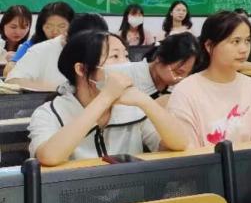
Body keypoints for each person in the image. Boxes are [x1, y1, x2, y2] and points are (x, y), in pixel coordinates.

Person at [28, 29, 189, 165]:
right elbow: (49, 157)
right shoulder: (49, 113)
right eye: (115, 57)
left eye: (126, 56)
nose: (125, 64)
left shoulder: (133, 109)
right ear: (82, 69)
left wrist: (145, 101)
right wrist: (105, 98)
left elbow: (180, 143)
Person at [167, 10, 251, 148]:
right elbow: (188, 154)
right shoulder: (186, 91)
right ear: (209, 46)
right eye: (235, 41)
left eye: (247, 41)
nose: (244, 49)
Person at [7, 12, 107, 91]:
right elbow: (13, 81)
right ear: (66, 37)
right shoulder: (40, 50)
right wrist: (61, 89)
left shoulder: (108, 49)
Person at [108, 32, 199, 104]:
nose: (181, 79)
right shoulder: (125, 75)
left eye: (187, 74)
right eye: (178, 72)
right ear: (159, 58)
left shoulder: (180, 87)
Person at [9, 1, 73, 63]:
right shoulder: (32, 44)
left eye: (62, 26)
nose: (55, 32)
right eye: (48, 27)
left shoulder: (76, 44)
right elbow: (10, 66)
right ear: (41, 27)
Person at [1, 4, 32, 73]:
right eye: (13, 27)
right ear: (3, 25)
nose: (18, 32)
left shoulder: (32, 46)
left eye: (24, 27)